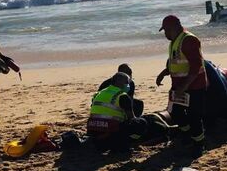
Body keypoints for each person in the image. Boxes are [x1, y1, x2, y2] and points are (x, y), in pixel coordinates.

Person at [155, 15, 208, 150]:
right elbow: (176, 61)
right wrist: (164, 72)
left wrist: (185, 86)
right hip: (178, 86)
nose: (165, 34)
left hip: (195, 86)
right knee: (176, 112)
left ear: (173, 28)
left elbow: (196, 66)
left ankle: (198, 144)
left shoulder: (189, 40)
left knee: (194, 116)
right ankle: (186, 134)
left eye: (166, 30)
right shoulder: (174, 41)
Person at [87, 72, 146, 150]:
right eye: (127, 83)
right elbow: (132, 119)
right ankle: (129, 143)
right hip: (111, 137)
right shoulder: (122, 96)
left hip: (94, 136)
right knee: (140, 123)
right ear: (121, 83)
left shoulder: (99, 93)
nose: (128, 85)